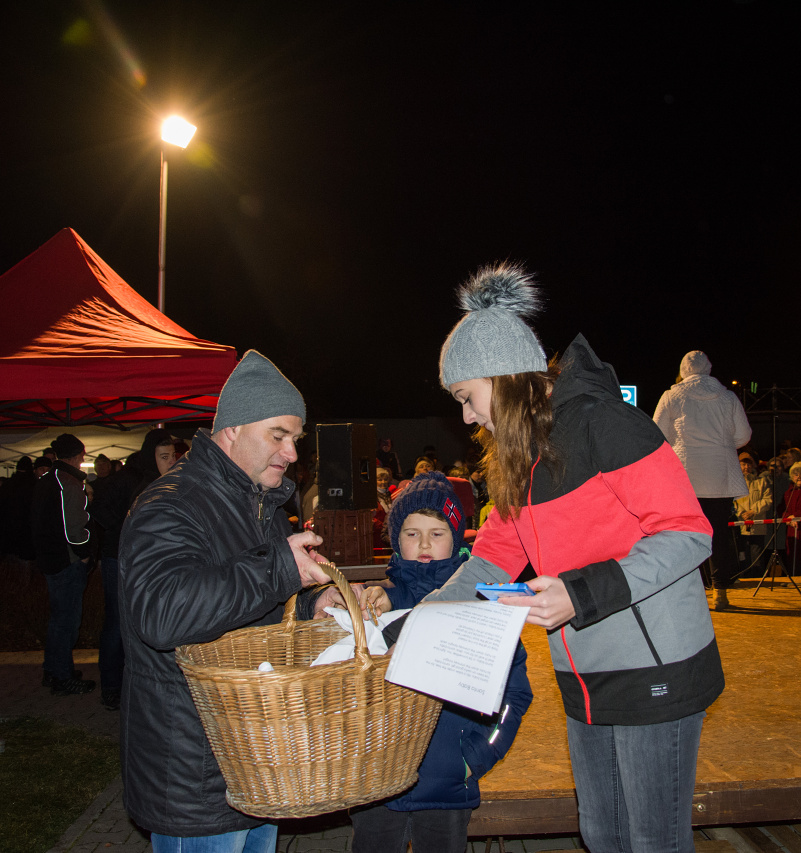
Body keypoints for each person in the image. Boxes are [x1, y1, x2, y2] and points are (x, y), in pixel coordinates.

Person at [425, 263, 724, 853]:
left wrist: (580, 594)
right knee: (602, 834)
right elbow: (490, 561)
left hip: (655, 668)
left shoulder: (603, 423)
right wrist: (411, 617)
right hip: (584, 673)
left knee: (651, 840)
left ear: (504, 378)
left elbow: (688, 533)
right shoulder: (520, 460)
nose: (466, 416)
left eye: (467, 397)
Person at [118, 350, 337, 853]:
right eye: (278, 435)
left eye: (296, 438)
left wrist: (311, 606)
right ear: (233, 429)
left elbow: (248, 609)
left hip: (253, 762)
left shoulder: (259, 503)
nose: (292, 452)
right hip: (194, 771)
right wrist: (279, 569)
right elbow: (163, 613)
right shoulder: (171, 504)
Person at [350, 472, 532, 853]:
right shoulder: (377, 605)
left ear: (456, 537)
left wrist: (473, 758)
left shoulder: (482, 605)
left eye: (437, 533)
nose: (424, 545)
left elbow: (515, 694)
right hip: (377, 787)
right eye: (411, 533)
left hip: (446, 788)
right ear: (395, 539)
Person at [653, 350, 751, 609]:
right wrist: (723, 445)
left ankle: (690, 593)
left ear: (683, 370)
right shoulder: (728, 397)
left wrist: (680, 444)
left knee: (685, 535)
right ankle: (720, 592)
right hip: (720, 476)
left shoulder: (672, 396)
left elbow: (657, 433)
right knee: (718, 534)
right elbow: (743, 435)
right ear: (708, 367)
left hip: (686, 476)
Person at [91, 429, 176, 712]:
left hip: (135, 562)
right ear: (150, 456)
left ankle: (127, 688)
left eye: (172, 456)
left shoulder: (159, 483)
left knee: (133, 623)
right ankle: (111, 688)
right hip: (119, 560)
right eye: (164, 456)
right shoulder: (135, 483)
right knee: (119, 623)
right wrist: (120, 530)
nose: (171, 462)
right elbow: (99, 509)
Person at [31, 433, 96, 694]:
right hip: (66, 561)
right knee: (66, 621)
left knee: (58, 619)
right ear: (78, 455)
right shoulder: (68, 483)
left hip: (50, 559)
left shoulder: (47, 479)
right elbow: (75, 531)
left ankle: (54, 669)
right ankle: (62, 676)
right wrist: (85, 553)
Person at [734, 451, 772, 576]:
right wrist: (742, 513)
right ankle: (744, 579)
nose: (746, 467)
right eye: (743, 464)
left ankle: (757, 579)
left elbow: (767, 500)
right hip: (740, 527)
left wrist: (753, 511)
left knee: (757, 557)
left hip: (758, 527)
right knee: (742, 556)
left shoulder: (762, 482)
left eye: (749, 464)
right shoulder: (735, 483)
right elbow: (732, 501)